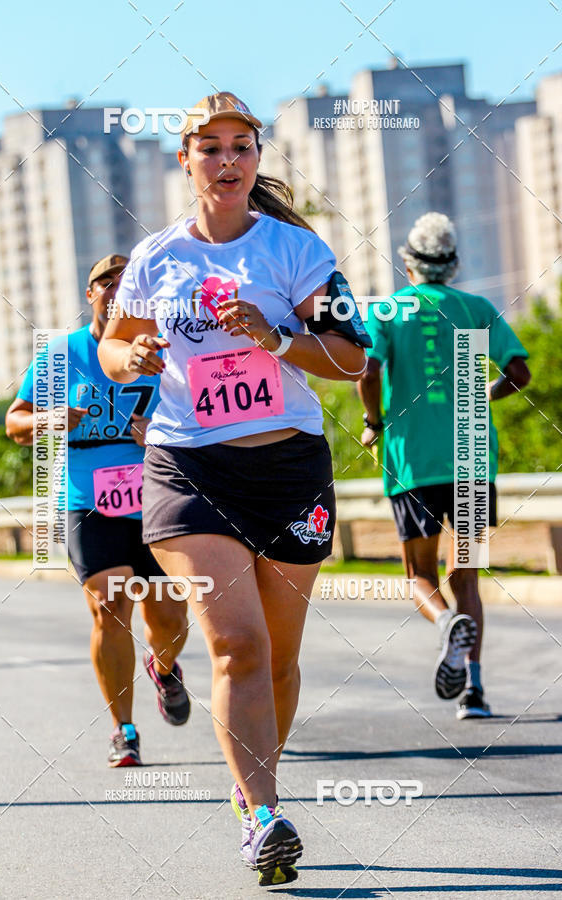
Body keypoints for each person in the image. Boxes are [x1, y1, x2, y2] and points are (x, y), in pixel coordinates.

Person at [97, 91, 368, 887]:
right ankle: (262, 817)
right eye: (208, 147)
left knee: (279, 659)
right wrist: (133, 361)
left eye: (240, 146)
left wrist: (280, 337)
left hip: (288, 470)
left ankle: (252, 790)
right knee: (238, 645)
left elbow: (352, 357)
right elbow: (117, 344)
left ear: (257, 159)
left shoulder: (296, 252)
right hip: (189, 468)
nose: (226, 160)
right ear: (184, 160)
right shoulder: (157, 258)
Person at [5, 254, 190, 767]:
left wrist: (160, 434)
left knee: (169, 613)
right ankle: (123, 729)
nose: (114, 290)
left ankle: (166, 667)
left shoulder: (165, 349)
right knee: (110, 607)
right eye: (104, 283)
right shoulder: (61, 354)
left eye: (125, 282)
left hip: (159, 496)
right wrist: (50, 418)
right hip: (90, 500)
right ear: (90, 294)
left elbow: (200, 417)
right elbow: (14, 423)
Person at [358, 212, 531, 720]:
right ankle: (473, 690)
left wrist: (375, 420)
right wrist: (481, 396)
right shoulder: (477, 308)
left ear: (408, 261)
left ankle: (443, 626)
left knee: (419, 573)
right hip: (474, 456)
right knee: (469, 576)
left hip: (413, 460)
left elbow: (367, 371)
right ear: (452, 265)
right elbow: (518, 373)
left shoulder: (390, 310)